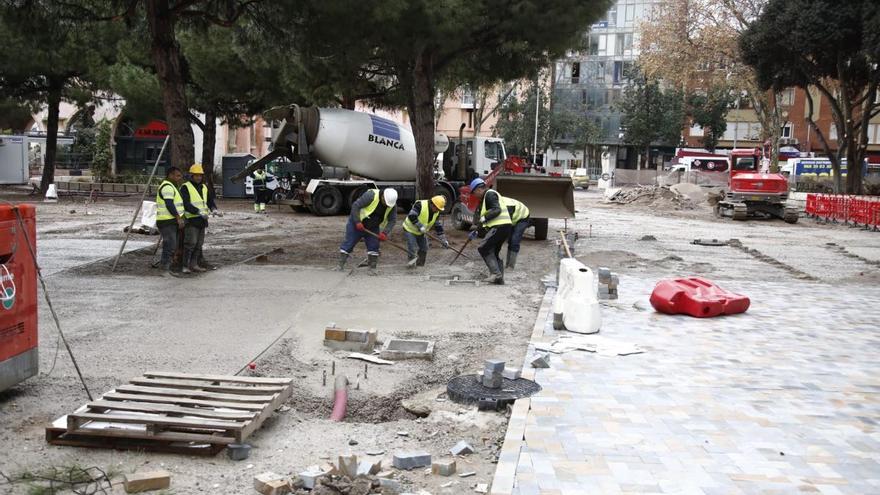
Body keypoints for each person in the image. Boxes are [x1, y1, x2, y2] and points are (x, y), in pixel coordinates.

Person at [337, 188, 397, 274]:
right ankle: (340, 266)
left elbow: (392, 220)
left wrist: (385, 233)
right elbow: (356, 206)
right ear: (383, 196)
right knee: (348, 243)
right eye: (386, 203)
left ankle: (372, 269)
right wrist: (357, 221)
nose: (387, 206)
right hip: (357, 224)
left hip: (373, 226)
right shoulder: (371, 195)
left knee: (374, 246)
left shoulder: (392, 204)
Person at [468, 178, 511, 285]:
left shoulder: (490, 194)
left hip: (499, 226)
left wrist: (485, 218)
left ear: (478, 189)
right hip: (504, 227)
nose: (475, 195)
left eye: (474, 193)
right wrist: (477, 230)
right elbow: (487, 216)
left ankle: (496, 274)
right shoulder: (486, 197)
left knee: (483, 248)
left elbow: (496, 209)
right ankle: (499, 279)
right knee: (494, 251)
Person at [179, 163, 219, 274]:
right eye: (196, 175)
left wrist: (214, 209)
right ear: (191, 176)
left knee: (198, 244)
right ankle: (185, 266)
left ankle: (194, 264)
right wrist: (198, 211)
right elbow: (185, 204)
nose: (198, 177)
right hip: (191, 220)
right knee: (190, 244)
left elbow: (209, 200)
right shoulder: (185, 187)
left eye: (200, 175)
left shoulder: (203, 187)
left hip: (202, 221)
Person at [402, 195, 449, 268]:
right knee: (412, 247)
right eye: (436, 208)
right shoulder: (420, 205)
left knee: (424, 248)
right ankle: (411, 266)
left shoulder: (436, 212)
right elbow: (411, 215)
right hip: (409, 229)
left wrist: (443, 240)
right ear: (432, 204)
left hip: (421, 232)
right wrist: (420, 226)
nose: (437, 210)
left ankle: (420, 266)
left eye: (439, 209)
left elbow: (438, 226)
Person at [155, 166, 184, 276]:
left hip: (170, 221)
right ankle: (164, 269)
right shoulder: (167, 187)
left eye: (180, 176)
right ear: (170, 175)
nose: (179, 178)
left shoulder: (172, 186)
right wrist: (178, 217)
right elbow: (169, 204)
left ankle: (167, 268)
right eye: (177, 175)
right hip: (166, 221)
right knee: (169, 245)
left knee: (172, 245)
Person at [503, 196, 530, 270]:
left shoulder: (508, 206)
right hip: (514, 218)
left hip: (523, 217)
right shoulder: (494, 203)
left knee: (515, 240)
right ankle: (507, 264)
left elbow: (506, 224)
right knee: (510, 240)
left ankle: (511, 266)